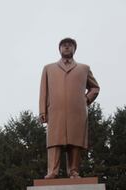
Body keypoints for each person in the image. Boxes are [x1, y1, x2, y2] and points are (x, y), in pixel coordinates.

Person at [39, 37, 100, 179]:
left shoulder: (84, 68)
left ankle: (73, 171)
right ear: (59, 49)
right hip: (55, 111)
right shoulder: (49, 68)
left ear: (74, 49)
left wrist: (86, 99)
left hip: (77, 111)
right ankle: (52, 171)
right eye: (64, 45)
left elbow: (95, 88)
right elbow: (44, 91)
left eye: (70, 45)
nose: (67, 47)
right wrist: (43, 110)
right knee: (54, 141)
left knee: (75, 141)